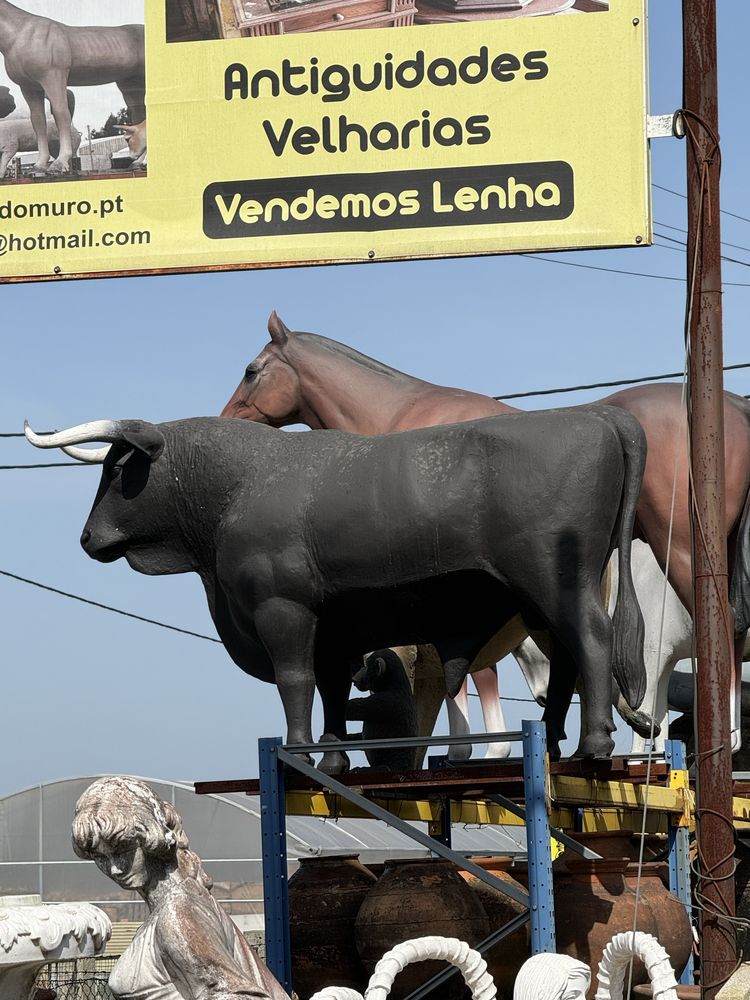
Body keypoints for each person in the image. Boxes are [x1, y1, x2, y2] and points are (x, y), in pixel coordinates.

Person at [72, 776, 290, 1000]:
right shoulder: (174, 908)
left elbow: (230, 994)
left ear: (150, 839)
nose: (115, 869)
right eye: (100, 857)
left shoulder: (176, 915)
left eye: (122, 852)